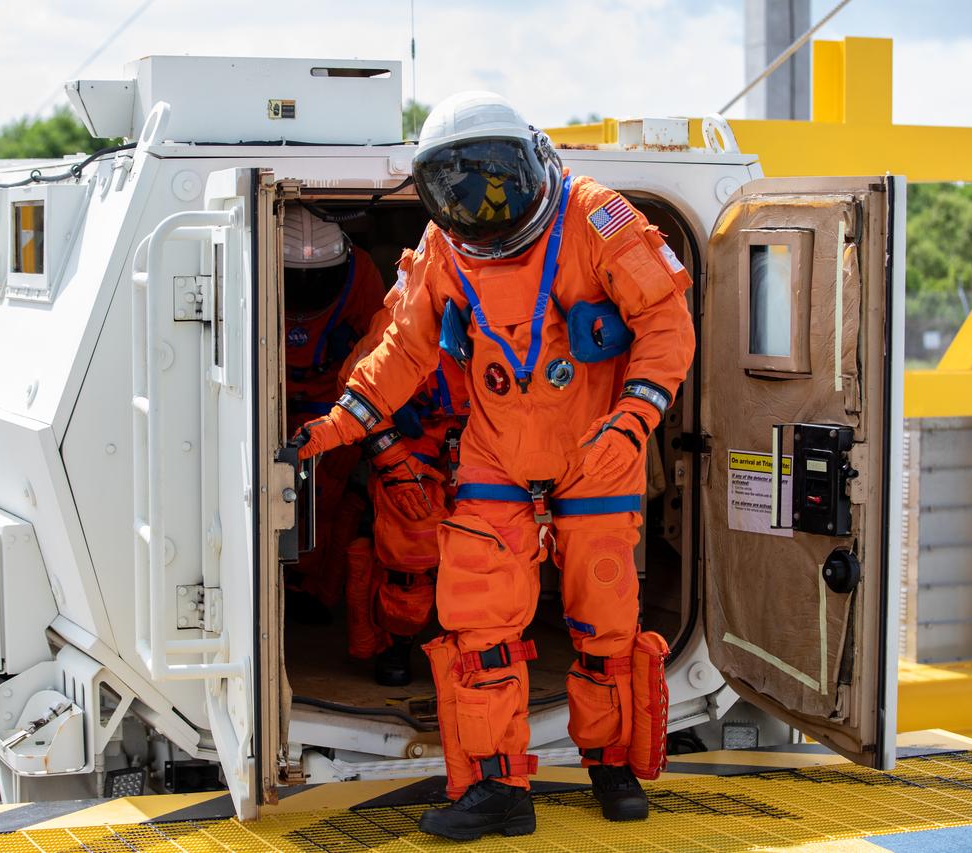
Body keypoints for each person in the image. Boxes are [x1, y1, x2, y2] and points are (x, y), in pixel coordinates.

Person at [292, 92, 695, 840]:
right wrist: (342, 420)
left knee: (606, 620)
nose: (484, 207)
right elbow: (403, 349)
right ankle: (497, 789)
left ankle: (612, 763)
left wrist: (635, 416)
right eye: (461, 194)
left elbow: (666, 320)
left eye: (496, 181)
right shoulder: (446, 246)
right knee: (479, 624)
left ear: (534, 158)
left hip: (596, 452)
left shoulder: (594, 216)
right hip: (498, 454)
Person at [340, 281, 470, 686]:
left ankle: (479, 649)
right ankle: (398, 641)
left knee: (489, 555)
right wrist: (392, 457)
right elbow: (353, 392)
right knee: (409, 556)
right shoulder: (402, 317)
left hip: (481, 442)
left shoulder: (526, 314)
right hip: (412, 450)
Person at [282, 204, 385, 622]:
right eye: (296, 280)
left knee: (323, 502)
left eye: (318, 280)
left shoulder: (360, 274)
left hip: (334, 408)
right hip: (271, 402)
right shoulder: (251, 260)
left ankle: (310, 593)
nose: (307, 288)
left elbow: (383, 344)